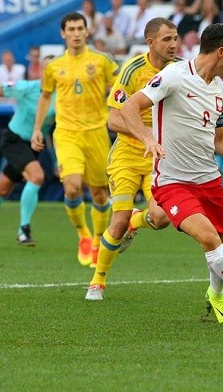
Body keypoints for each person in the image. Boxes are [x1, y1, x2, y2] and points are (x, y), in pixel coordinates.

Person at [118, 22, 223, 327]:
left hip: (209, 179)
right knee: (209, 239)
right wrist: (147, 139)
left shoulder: (219, 89)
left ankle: (216, 296)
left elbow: (220, 140)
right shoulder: (174, 76)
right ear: (220, 52)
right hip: (172, 182)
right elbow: (129, 107)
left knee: (222, 244)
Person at [85, 18, 178, 300]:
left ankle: (137, 222)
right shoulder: (133, 69)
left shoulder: (182, 70)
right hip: (127, 152)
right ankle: (97, 281)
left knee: (161, 218)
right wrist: (146, 133)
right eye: (166, 40)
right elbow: (114, 119)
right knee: (118, 219)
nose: (173, 44)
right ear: (150, 43)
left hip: (160, 156)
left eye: (175, 38)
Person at [31, 12, 119, 267]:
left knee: (100, 194)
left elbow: (120, 88)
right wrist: (38, 128)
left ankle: (98, 238)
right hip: (67, 132)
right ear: (63, 33)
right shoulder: (53, 66)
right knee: (71, 186)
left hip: (96, 132)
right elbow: (45, 96)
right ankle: (83, 234)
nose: (76, 33)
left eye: (80, 28)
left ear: (87, 31)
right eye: (71, 29)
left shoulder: (102, 60)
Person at [0, 56, 55, 248]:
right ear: (40, 71)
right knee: (37, 176)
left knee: (4, 188)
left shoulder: (62, 96)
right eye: (47, 69)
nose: (51, 73)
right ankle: (23, 230)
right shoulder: (26, 88)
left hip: (34, 145)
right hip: (14, 139)